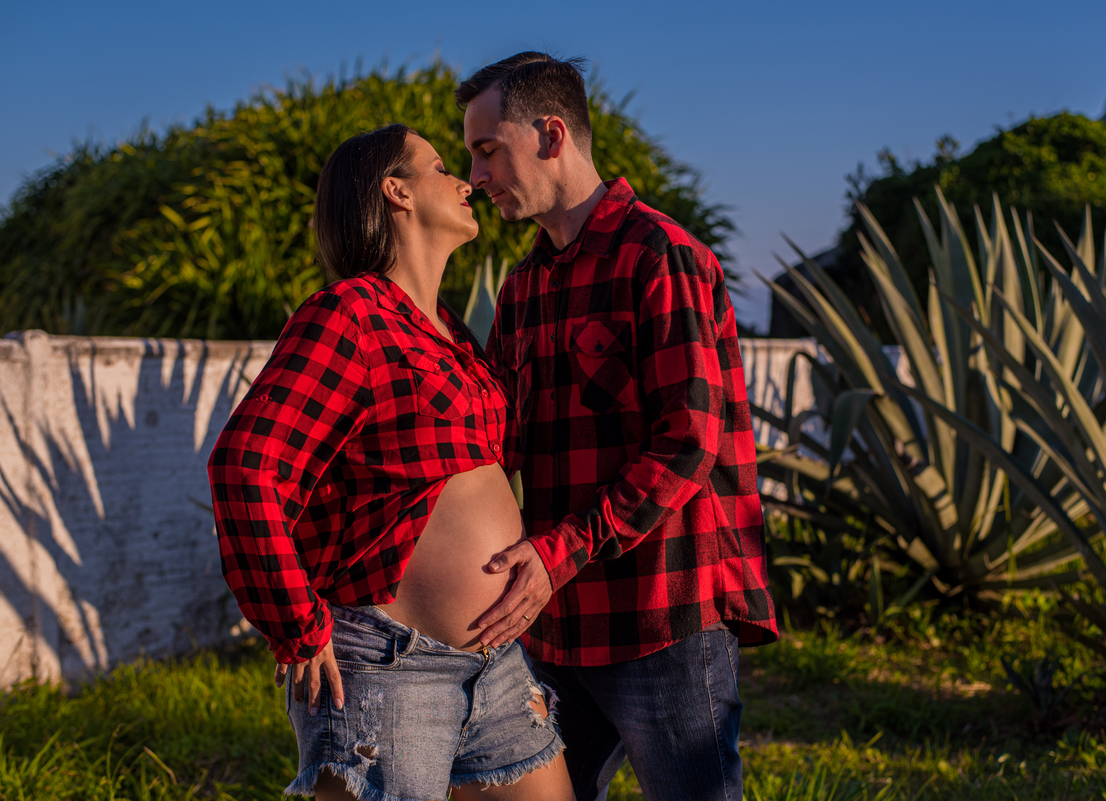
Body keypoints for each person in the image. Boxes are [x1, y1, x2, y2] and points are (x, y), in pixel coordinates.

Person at [207, 123, 574, 801]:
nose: (467, 181)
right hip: (388, 669)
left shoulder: (450, 331)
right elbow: (245, 464)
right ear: (396, 191)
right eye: (441, 167)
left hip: (494, 666)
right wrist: (297, 623)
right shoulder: (349, 314)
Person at [457, 53, 780, 801]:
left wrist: (560, 549)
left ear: (550, 135)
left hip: (661, 616)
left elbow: (688, 440)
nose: (476, 176)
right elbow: (497, 440)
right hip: (554, 623)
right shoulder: (523, 285)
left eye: (486, 149)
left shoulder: (662, 256)